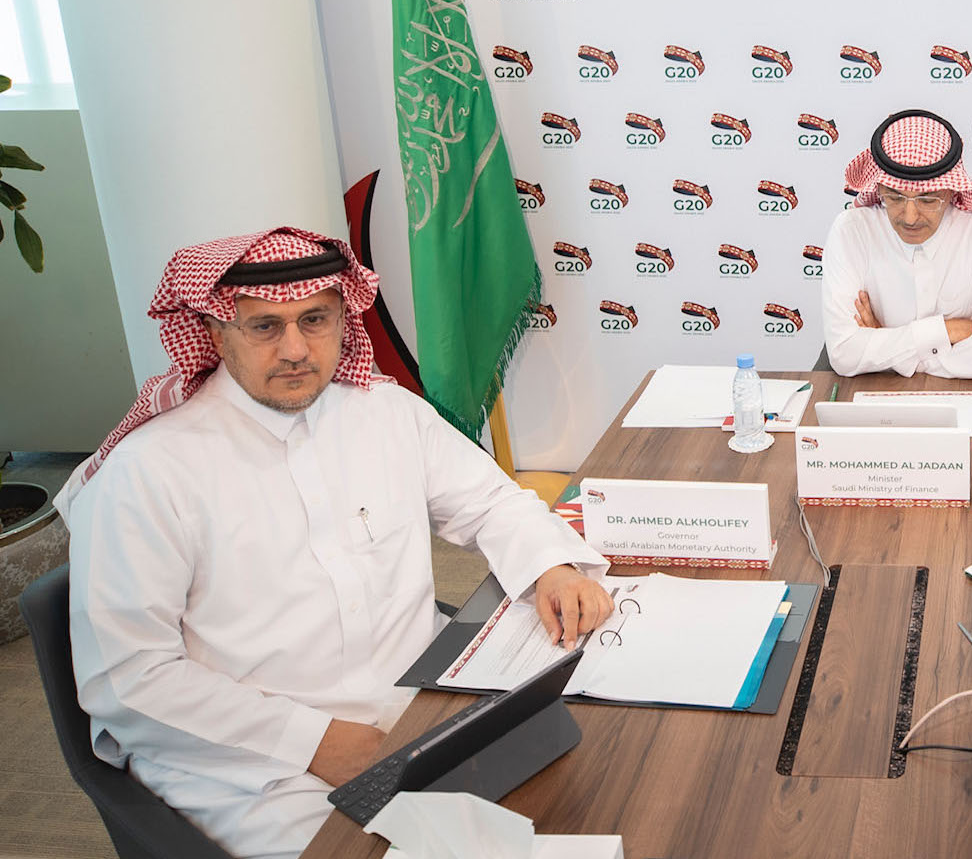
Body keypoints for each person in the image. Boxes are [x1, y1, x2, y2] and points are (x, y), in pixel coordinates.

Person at [55, 227, 614, 859]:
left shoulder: (385, 412)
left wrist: (553, 568)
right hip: (255, 765)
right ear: (213, 332)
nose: (296, 349)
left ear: (343, 317)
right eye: (265, 327)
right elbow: (128, 679)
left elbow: (489, 502)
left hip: (419, 705)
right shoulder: (148, 473)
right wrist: (315, 741)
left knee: (592, 791)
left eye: (314, 320)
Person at [820, 109, 972, 378]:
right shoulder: (851, 231)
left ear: (951, 190)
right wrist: (948, 331)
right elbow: (844, 354)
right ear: (879, 189)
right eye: (895, 198)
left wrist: (885, 345)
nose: (910, 217)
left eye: (928, 200)